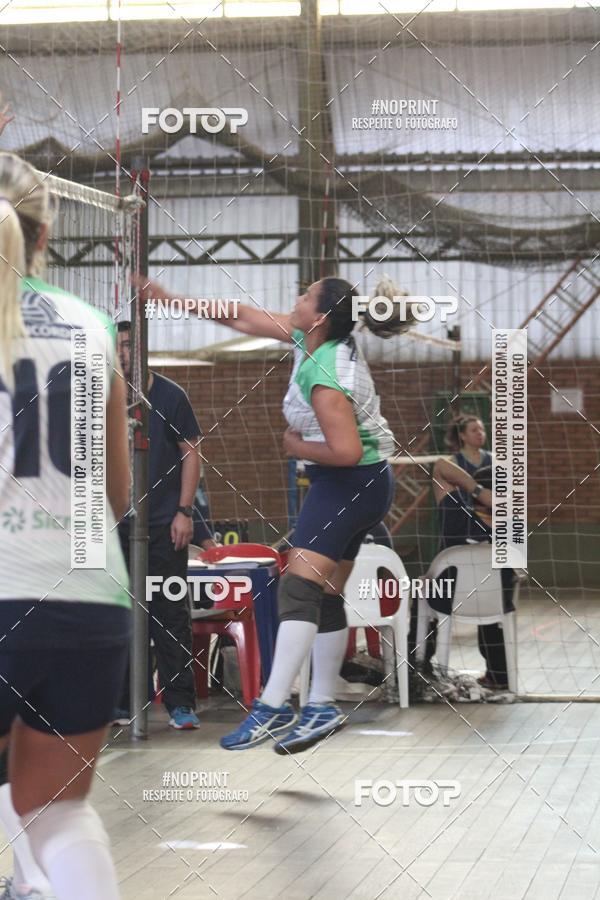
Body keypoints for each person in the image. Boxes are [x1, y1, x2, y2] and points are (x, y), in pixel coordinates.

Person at [135, 274, 412, 754]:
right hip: (360, 484)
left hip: (347, 483)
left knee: (297, 589)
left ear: (320, 316)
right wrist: (172, 300)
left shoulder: (326, 376)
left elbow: (346, 452)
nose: (297, 298)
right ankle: (320, 706)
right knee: (325, 594)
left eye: (306, 295)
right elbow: (242, 316)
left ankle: (272, 705)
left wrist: (296, 447)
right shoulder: (312, 337)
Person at [0, 152, 130, 899]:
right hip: (88, 596)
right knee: (58, 812)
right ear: (45, 234)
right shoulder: (92, 326)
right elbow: (116, 493)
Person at [114, 322, 216, 730]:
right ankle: (125, 703)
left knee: (169, 612)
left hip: (162, 525)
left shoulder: (171, 396)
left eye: (129, 346)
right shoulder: (102, 395)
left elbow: (191, 454)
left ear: (143, 350)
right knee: (122, 614)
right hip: (116, 528)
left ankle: (179, 704)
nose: (123, 354)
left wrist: (184, 511)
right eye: (117, 347)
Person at [430, 456, 515, 690]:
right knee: (497, 587)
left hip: (446, 600)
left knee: (421, 590)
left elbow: (440, 466)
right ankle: (499, 675)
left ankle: (417, 665)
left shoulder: (455, 516)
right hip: (492, 604)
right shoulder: (511, 532)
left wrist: (476, 489)